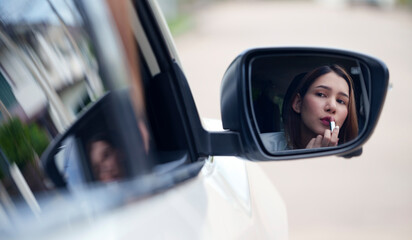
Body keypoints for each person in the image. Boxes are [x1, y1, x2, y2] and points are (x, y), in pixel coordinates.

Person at [282, 65, 358, 149]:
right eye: (321, 94)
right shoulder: (268, 147)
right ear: (298, 103)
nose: (332, 107)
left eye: (341, 101)